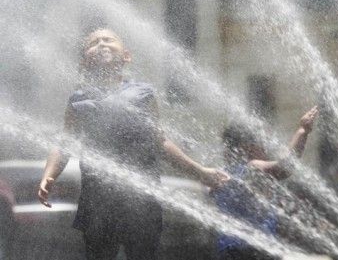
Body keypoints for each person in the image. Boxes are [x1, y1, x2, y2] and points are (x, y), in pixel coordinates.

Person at [37, 28, 229, 260]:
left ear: (126, 56)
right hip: (96, 202)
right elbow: (64, 143)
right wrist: (49, 174)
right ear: (85, 61)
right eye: (93, 42)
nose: (101, 44)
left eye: (108, 40)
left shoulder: (142, 94)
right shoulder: (78, 99)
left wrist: (200, 172)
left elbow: (160, 141)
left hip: (141, 200)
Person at [213, 106, 318, 260]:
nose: (265, 147)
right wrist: (302, 131)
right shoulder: (251, 168)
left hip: (230, 251)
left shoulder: (224, 173)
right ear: (247, 147)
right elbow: (284, 167)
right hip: (250, 251)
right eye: (261, 143)